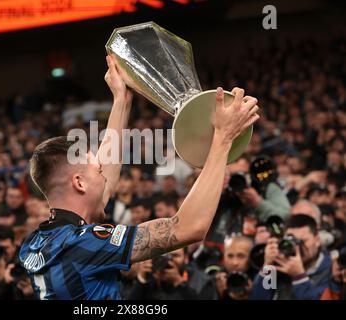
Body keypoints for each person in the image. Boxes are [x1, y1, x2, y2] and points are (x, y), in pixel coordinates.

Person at [19, 55, 260, 300]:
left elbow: (99, 188)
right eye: (97, 170)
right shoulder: (84, 244)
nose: (104, 175)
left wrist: (121, 99)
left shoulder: (37, 242)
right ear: (79, 183)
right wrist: (223, 138)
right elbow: (188, 228)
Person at [250, 214, 332, 299]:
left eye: (302, 241)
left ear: (317, 240)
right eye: (292, 241)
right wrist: (268, 267)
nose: (297, 247)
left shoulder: (331, 271)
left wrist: (299, 277)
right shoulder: (279, 268)